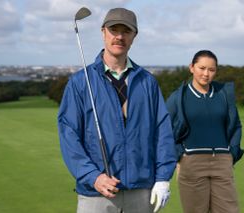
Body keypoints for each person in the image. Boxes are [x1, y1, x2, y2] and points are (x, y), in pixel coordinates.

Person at [58, 7, 177, 213]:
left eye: (126, 31)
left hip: (141, 191)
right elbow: (69, 136)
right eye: (114, 30)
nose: (119, 36)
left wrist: (163, 178)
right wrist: (93, 177)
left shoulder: (147, 82)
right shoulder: (80, 82)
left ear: (134, 36)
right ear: (103, 31)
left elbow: (163, 133)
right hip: (96, 193)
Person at [166, 50, 244, 213]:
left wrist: (232, 153)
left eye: (211, 69)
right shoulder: (178, 97)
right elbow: (165, 130)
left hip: (222, 162)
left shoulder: (223, 94)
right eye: (202, 68)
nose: (206, 74)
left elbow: (236, 125)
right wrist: (180, 153)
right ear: (191, 68)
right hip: (192, 164)